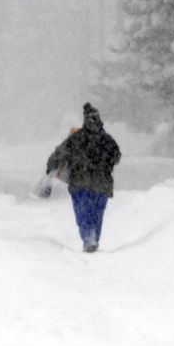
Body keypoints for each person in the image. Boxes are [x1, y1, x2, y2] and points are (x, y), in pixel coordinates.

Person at [45, 102, 121, 252]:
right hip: (102, 184)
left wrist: (51, 166)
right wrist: (105, 164)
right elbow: (116, 156)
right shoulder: (107, 140)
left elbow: (59, 154)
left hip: (80, 183)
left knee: (83, 213)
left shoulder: (76, 138)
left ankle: (88, 238)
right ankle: (93, 239)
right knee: (97, 214)